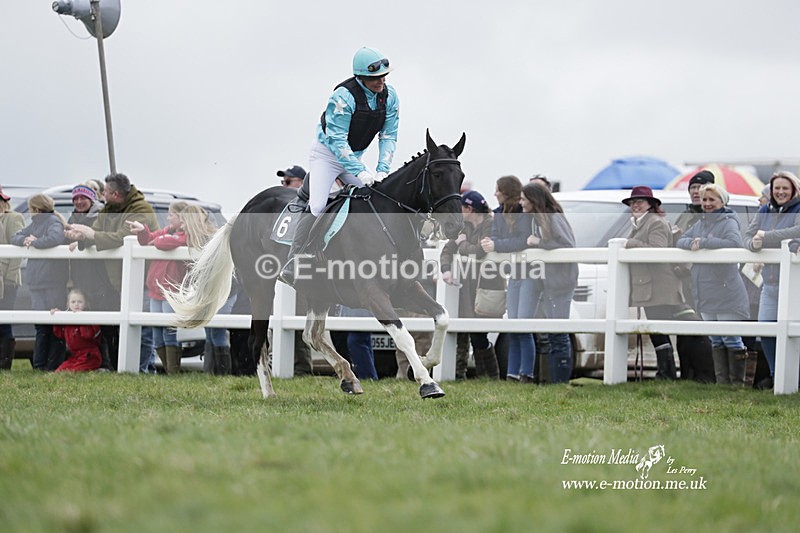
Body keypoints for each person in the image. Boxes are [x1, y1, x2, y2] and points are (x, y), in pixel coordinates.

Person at [280, 46, 399, 285]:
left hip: (353, 156)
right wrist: (360, 171)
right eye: (375, 78)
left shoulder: (390, 96)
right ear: (361, 77)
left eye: (383, 76)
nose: (381, 81)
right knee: (318, 204)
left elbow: (389, 136)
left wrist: (382, 170)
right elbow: (337, 140)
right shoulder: (342, 97)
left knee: (375, 197)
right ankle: (294, 260)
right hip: (327, 154)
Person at [65, 173, 160, 372]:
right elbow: (98, 232)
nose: (102, 195)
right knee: (126, 326)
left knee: (142, 329)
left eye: (106, 192)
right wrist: (81, 238)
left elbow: (122, 237)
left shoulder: (141, 210)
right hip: (120, 279)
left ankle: (143, 369)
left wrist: (91, 235)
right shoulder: (109, 208)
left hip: (143, 278)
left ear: (115, 194)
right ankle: (130, 368)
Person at [676, 184, 750, 385]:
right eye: (704, 200)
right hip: (705, 290)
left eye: (712, 200)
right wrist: (693, 242)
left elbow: (735, 243)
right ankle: (722, 384)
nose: (707, 204)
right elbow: (681, 240)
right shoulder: (701, 223)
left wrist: (705, 243)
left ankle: (737, 385)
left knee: (731, 339)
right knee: (716, 340)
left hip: (725, 290)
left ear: (722, 201)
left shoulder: (728, 221)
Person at [744, 171, 800, 390]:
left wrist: (766, 236)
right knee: (766, 328)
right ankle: (778, 376)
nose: (781, 192)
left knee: (794, 332)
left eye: (785, 188)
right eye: (777, 188)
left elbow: (797, 231)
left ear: (793, 189)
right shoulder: (764, 210)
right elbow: (748, 236)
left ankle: (794, 378)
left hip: (794, 284)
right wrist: (754, 245)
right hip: (770, 282)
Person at [519, 182, 579, 384]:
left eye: (523, 199)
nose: (521, 202)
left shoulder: (553, 217)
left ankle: (560, 382)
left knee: (558, 333)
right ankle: (555, 382)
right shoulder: (538, 219)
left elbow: (566, 245)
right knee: (552, 334)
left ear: (533, 200)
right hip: (549, 282)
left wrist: (539, 243)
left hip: (560, 282)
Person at [622, 186, 684, 380]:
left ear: (651, 204)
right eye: (633, 202)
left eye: (639, 202)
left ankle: (667, 373)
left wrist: (631, 244)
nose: (635, 205)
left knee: (659, 332)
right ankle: (665, 372)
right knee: (658, 332)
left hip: (659, 287)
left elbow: (657, 251)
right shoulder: (641, 223)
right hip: (651, 287)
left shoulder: (655, 222)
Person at [440, 190, 501, 379]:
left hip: (486, 285)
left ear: (469, 208)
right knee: (462, 330)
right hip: (466, 286)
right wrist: (446, 269)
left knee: (479, 333)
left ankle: (490, 375)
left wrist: (462, 244)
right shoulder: (464, 226)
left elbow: (479, 252)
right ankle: (459, 373)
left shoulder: (491, 225)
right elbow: (447, 250)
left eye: (462, 208)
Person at [481, 176, 536, 382]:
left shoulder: (523, 213)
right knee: (513, 324)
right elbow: (497, 237)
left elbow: (522, 240)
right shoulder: (498, 214)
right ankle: (512, 374)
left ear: (506, 191)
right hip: (514, 273)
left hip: (530, 273)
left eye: (498, 190)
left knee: (523, 323)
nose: (495, 193)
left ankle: (527, 373)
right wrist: (492, 243)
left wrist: (497, 245)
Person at [128, 201, 190, 374]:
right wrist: (142, 230)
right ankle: (168, 369)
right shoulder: (167, 231)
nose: (168, 217)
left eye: (171, 215)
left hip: (170, 290)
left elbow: (166, 243)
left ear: (181, 217)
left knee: (169, 330)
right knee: (156, 331)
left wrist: (157, 240)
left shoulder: (187, 234)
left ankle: (173, 372)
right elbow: (148, 239)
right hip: (155, 289)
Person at [11, 193, 69, 371]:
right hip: (38, 282)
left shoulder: (53, 222)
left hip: (52, 282)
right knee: (41, 327)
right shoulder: (37, 223)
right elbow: (16, 236)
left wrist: (35, 242)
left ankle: (51, 365)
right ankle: (40, 366)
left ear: (36, 209)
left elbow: (54, 239)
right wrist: (26, 240)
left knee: (54, 328)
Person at [0, 186, 25, 369]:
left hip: (6, 279)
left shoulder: (14, 218)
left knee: (4, 321)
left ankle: (4, 363)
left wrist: (9, 279)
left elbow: (17, 252)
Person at [50, 288, 103, 372]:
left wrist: (81, 318)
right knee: (60, 371)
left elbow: (87, 335)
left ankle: (99, 370)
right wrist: (58, 316)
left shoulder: (90, 318)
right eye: (73, 302)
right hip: (75, 356)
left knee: (75, 371)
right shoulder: (69, 319)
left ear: (85, 304)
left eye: (80, 302)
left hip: (90, 356)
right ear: (68, 304)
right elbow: (59, 333)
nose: (76, 304)